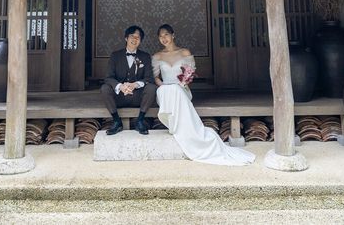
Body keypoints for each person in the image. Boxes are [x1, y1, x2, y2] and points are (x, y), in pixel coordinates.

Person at [152, 24, 255, 166]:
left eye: (166, 35)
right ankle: (174, 123)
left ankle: (188, 131)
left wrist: (183, 83)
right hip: (165, 90)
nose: (164, 38)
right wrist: (164, 86)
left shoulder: (184, 53)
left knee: (176, 90)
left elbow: (189, 74)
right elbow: (156, 77)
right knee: (167, 90)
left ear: (173, 35)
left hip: (181, 89)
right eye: (161, 36)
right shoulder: (157, 56)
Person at [101, 25, 157, 135]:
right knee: (105, 88)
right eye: (132, 36)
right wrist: (120, 86)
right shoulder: (115, 56)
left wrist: (135, 84)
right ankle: (117, 121)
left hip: (137, 97)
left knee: (151, 88)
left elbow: (149, 78)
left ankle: (140, 120)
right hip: (119, 97)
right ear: (126, 38)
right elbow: (108, 78)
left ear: (140, 41)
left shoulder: (145, 56)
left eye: (138, 37)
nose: (135, 39)